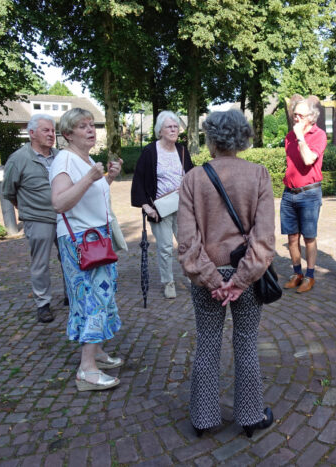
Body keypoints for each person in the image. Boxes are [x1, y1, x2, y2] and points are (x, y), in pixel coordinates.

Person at [178, 109, 275, 438]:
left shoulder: (193, 179)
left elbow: (187, 243)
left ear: (211, 137)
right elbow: (264, 241)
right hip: (246, 276)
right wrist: (239, 280)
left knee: (206, 343)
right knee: (246, 343)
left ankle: (203, 420)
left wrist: (212, 280)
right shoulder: (259, 174)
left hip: (209, 277)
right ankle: (250, 417)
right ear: (243, 136)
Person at [50, 108, 124, 391]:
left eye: (92, 125)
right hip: (81, 242)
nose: (91, 130)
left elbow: (89, 198)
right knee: (92, 299)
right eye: (82, 126)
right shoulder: (65, 161)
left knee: (103, 297)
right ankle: (87, 370)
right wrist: (89, 178)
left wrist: (108, 179)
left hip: (95, 238)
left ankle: (98, 353)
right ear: (68, 134)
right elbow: (59, 203)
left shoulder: (86, 159)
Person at [2, 114, 67, 324]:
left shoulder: (60, 156)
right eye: (46, 131)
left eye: (52, 131)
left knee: (69, 258)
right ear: (32, 134)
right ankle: (43, 304)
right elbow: (9, 191)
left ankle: (71, 295)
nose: (51, 134)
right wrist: (26, 209)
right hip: (38, 218)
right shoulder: (19, 159)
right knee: (41, 264)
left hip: (64, 216)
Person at [131, 110, 194, 299]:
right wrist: (146, 206)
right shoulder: (151, 151)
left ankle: (192, 278)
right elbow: (139, 181)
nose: (174, 129)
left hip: (183, 206)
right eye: (169, 127)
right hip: (159, 209)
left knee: (187, 244)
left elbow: (191, 176)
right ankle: (168, 282)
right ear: (160, 131)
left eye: (176, 126)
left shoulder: (182, 150)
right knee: (165, 247)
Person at [280, 95, 327, 294]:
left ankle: (310, 276)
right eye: (294, 114)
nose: (295, 118)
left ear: (311, 117)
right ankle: (297, 273)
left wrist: (300, 137)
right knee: (292, 237)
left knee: (309, 237)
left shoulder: (319, 135)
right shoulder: (289, 136)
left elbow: (308, 160)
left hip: (309, 194)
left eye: (300, 115)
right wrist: (296, 135)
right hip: (289, 193)